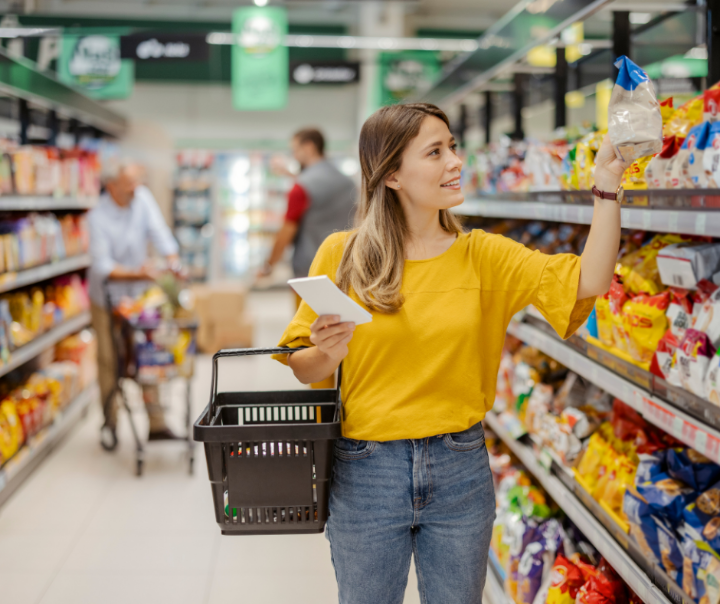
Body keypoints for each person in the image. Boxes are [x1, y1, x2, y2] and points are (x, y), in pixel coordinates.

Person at [273, 103, 629, 603]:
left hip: (460, 468)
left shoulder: (484, 255)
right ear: (392, 174)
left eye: (453, 147)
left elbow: (589, 280)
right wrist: (326, 354)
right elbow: (302, 366)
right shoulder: (343, 254)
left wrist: (607, 187)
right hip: (367, 470)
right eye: (435, 151)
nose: (455, 162)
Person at [88, 162, 181, 451]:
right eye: (129, 184)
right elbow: (103, 267)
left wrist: (173, 261)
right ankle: (110, 422)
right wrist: (142, 272)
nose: (135, 188)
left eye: (136, 182)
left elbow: (161, 234)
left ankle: (157, 424)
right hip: (107, 299)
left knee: (147, 354)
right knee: (109, 360)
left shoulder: (141, 199)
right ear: (112, 186)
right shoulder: (97, 217)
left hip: (138, 298)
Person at [261, 127, 356, 389]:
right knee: (348, 341)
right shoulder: (347, 183)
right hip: (350, 273)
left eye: (295, 149)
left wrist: (268, 265)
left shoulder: (301, 188)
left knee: (315, 346)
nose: (294, 155)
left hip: (310, 276)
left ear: (309, 147)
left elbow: (287, 231)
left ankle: (322, 414)